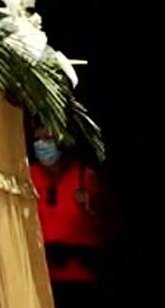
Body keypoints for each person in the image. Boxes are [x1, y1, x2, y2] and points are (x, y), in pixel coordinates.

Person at [29, 128, 107, 308]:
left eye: (48, 138)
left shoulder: (85, 176)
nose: (42, 144)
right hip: (43, 275)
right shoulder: (28, 176)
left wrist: (90, 208)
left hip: (82, 276)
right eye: (37, 139)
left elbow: (108, 223)